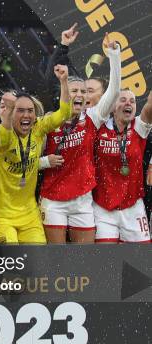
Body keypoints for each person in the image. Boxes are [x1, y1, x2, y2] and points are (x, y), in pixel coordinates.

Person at [40, 36, 121, 243]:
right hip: (53, 199)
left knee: (83, 260)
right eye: (74, 90)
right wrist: (44, 161)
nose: (79, 95)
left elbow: (114, 92)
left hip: (82, 199)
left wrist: (114, 56)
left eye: (83, 92)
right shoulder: (48, 121)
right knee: (56, 260)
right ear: (65, 92)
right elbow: (28, 161)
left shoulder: (93, 117)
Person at [0, 64, 71, 243]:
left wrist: (64, 81)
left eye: (30, 111)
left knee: (38, 264)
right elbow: (2, 141)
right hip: (3, 217)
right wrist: (6, 118)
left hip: (30, 215)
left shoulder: (38, 127)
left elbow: (65, 113)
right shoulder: (0, 131)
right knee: (14, 264)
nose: (26, 115)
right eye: (20, 110)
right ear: (11, 114)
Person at [93, 90, 152, 243]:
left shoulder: (139, 126)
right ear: (112, 107)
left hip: (133, 206)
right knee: (105, 262)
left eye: (132, 101)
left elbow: (150, 106)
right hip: (103, 207)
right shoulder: (98, 127)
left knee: (140, 261)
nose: (128, 103)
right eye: (123, 100)